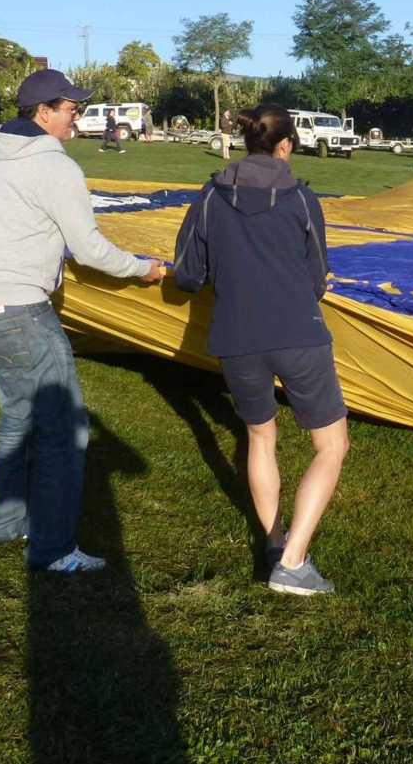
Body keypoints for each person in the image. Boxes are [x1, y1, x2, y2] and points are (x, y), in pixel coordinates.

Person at [0, 70, 163, 572]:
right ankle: (53, 549)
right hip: (18, 310)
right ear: (43, 112)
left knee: (18, 413)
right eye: (70, 110)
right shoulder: (57, 169)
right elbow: (90, 249)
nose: (75, 118)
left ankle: (6, 523)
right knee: (64, 428)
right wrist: (146, 269)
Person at [173, 104, 348, 597]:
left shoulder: (209, 195)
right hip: (299, 335)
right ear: (286, 145)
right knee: (330, 446)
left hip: (236, 339)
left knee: (260, 438)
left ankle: (275, 544)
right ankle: (292, 563)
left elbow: (187, 275)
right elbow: (316, 278)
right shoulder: (301, 197)